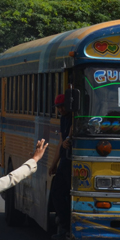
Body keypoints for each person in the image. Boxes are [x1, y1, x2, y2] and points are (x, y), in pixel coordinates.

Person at [49, 94, 73, 227]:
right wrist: (54, 164)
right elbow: (60, 142)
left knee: (69, 193)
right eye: (58, 107)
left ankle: (68, 221)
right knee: (56, 192)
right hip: (64, 160)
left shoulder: (74, 117)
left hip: (72, 160)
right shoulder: (63, 119)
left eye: (63, 106)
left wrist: (68, 139)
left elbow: (71, 131)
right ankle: (64, 220)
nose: (61, 110)